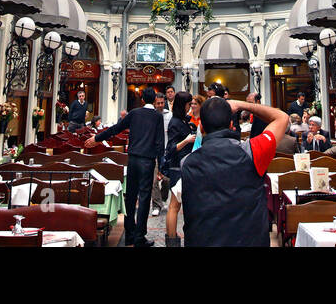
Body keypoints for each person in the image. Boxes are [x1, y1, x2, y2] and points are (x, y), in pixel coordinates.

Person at [177, 97, 289, 246]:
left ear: (201, 127)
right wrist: (242, 105)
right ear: (231, 124)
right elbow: (282, 117)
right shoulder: (253, 152)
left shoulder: (187, 163)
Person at [86, 87, 166, 247]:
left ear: (142, 99)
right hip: (147, 161)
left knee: (131, 197)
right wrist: (162, 167)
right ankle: (139, 236)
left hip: (133, 160)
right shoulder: (157, 117)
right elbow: (160, 142)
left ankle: (129, 234)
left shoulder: (134, 113)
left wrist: (97, 138)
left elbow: (116, 129)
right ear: (154, 101)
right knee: (144, 198)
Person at [151, 91, 172, 216]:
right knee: (154, 181)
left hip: (166, 151)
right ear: (154, 103)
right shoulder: (151, 115)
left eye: (162, 103)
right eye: (158, 103)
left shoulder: (169, 115)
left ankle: (163, 198)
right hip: (154, 152)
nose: (160, 105)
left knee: (167, 180)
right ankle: (156, 205)